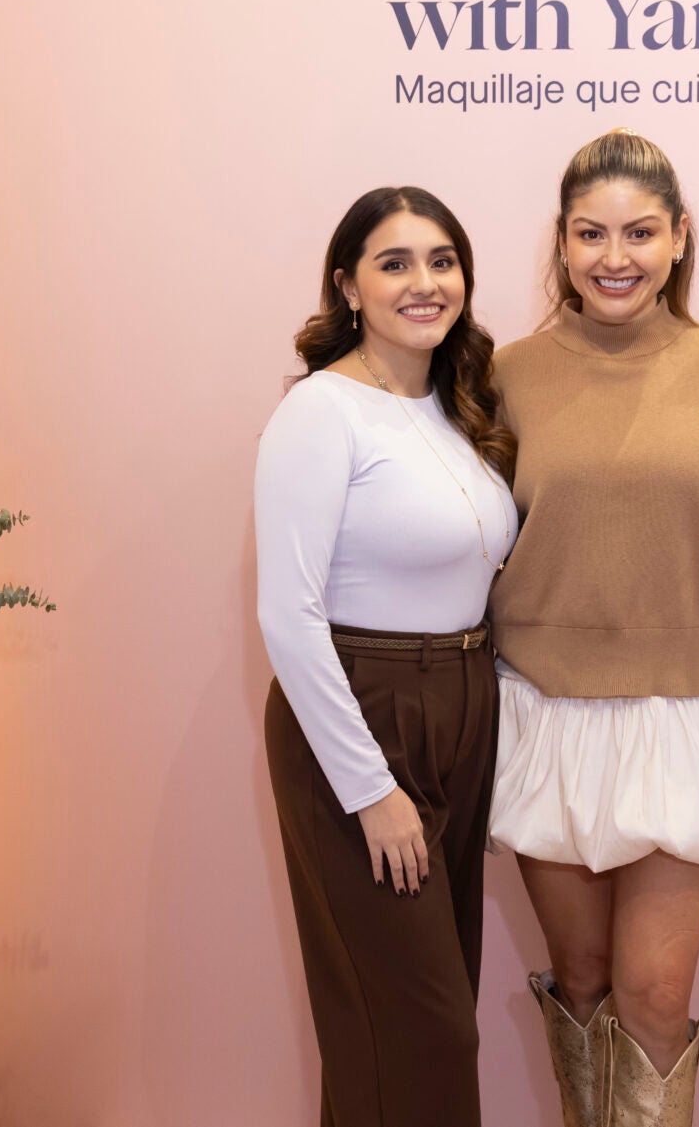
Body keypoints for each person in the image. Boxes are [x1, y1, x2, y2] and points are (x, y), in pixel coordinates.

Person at [491, 129, 699, 1126]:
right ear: (560, 246)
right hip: (545, 710)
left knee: (654, 997)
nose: (617, 256)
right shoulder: (505, 376)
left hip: (680, 713)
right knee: (584, 979)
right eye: (592, 234)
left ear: (681, 237)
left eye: (641, 232)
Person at [255, 186, 518, 1127]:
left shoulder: (459, 407)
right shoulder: (323, 413)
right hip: (361, 716)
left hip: (458, 707)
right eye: (395, 262)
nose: (424, 282)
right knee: (419, 1030)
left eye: (442, 259)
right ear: (348, 285)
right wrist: (370, 787)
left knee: (413, 1021)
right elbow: (289, 614)